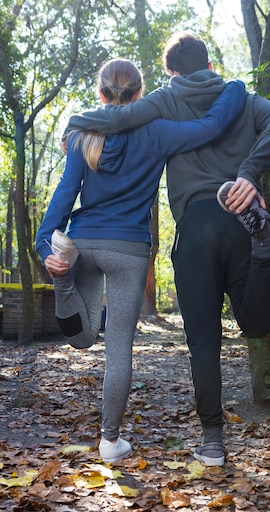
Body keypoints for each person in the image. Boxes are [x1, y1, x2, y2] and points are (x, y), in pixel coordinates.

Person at [64, 33, 270, 467]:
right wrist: (248, 174)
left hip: (194, 226)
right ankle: (265, 249)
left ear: (171, 71)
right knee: (257, 323)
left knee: (203, 339)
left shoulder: (165, 99)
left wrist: (75, 122)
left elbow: (115, 119)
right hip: (240, 218)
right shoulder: (238, 96)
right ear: (207, 62)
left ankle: (212, 444)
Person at [35, 57, 246, 463]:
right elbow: (212, 126)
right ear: (140, 94)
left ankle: (62, 278)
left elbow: (63, 195)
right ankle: (110, 442)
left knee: (80, 340)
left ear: (101, 93)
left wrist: (47, 248)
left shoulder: (82, 136)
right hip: (128, 250)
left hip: (82, 242)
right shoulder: (159, 131)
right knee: (118, 352)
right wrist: (234, 86)